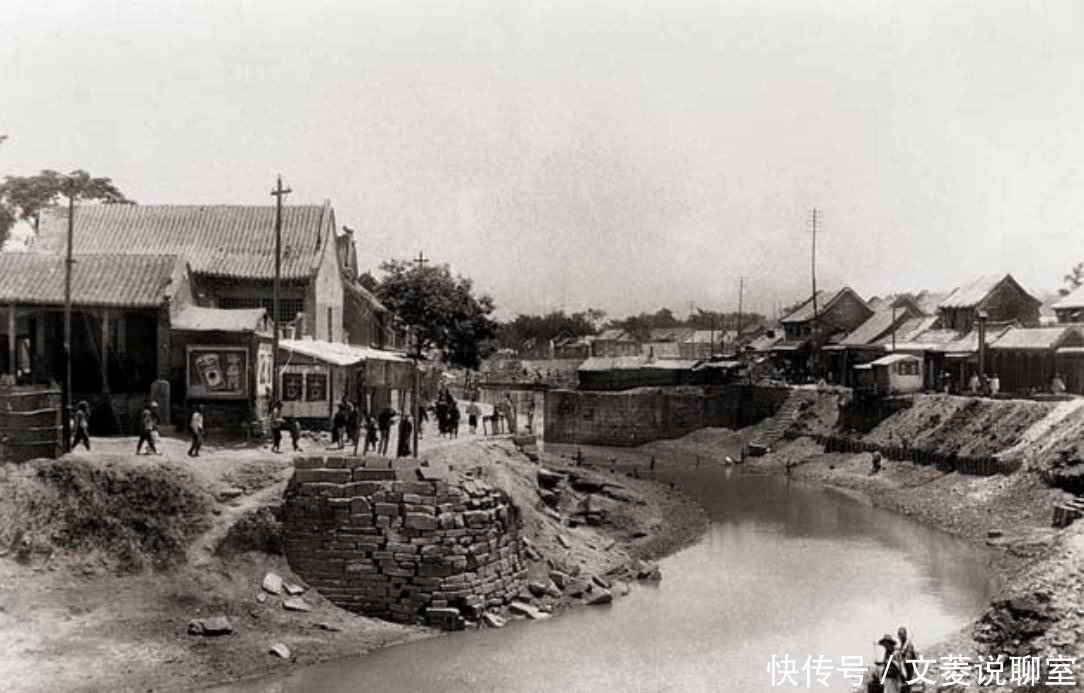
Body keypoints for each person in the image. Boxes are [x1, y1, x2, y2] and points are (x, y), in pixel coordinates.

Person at [897, 626, 917, 691]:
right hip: (904, 668)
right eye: (899, 635)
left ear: (905, 635)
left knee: (907, 686)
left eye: (901, 635)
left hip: (909, 668)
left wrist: (902, 660)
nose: (900, 637)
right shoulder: (902, 645)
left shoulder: (909, 644)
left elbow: (909, 657)